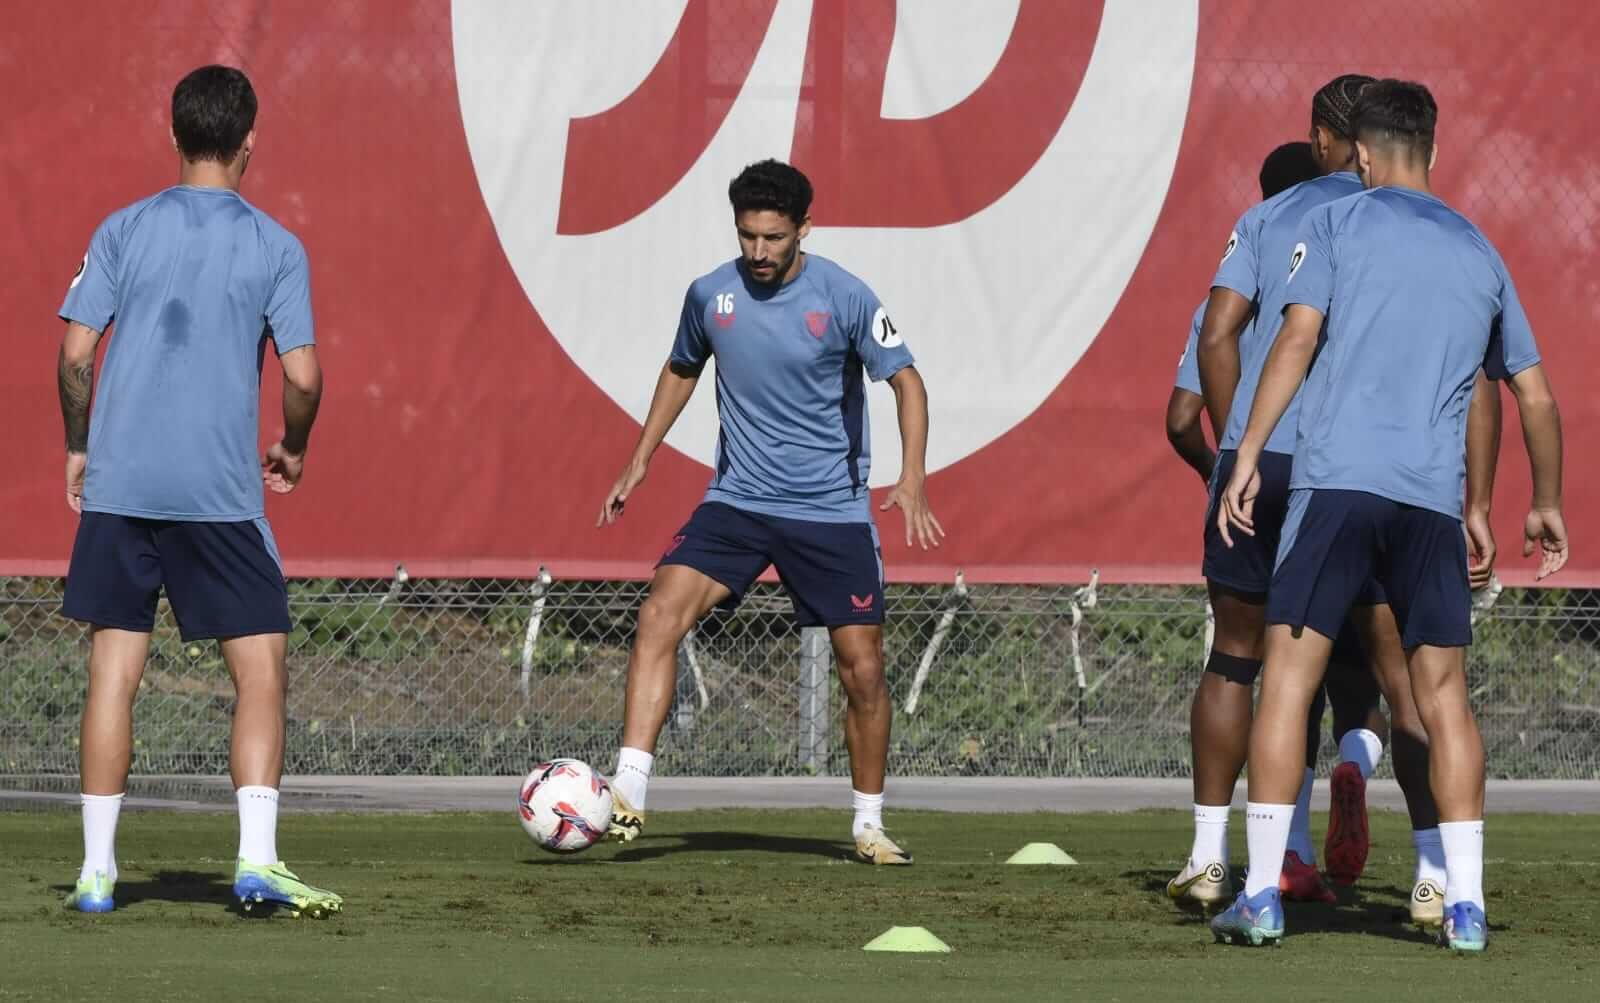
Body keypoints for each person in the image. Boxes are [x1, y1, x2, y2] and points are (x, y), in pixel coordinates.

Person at [1212, 79, 1567, 952]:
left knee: (1289, 680)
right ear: (1434, 153)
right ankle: (1467, 904)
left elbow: (1295, 335)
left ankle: (1261, 891)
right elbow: (1532, 393)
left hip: (1336, 489)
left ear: (1362, 156)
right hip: (1428, 503)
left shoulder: (1336, 223)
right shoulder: (1481, 251)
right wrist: (1542, 503)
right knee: (1442, 697)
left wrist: (1249, 451)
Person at [596, 159, 943, 864]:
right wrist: (642, 455)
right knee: (660, 610)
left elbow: (907, 380)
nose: (758, 252)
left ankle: (869, 823)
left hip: (829, 510)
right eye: (748, 236)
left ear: (803, 230)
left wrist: (911, 474)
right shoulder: (710, 294)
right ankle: (629, 791)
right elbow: (682, 366)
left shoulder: (844, 295)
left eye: (774, 238)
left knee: (864, 670)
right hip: (740, 501)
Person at [57, 66, 339, 916]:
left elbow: (75, 356)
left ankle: (98, 873)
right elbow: (303, 375)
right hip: (218, 494)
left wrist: (79, 446)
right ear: (250, 139)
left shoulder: (121, 229)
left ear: (172, 134)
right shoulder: (274, 245)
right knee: (261, 670)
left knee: (115, 671)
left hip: (122, 485)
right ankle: (256, 860)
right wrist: (293, 443)